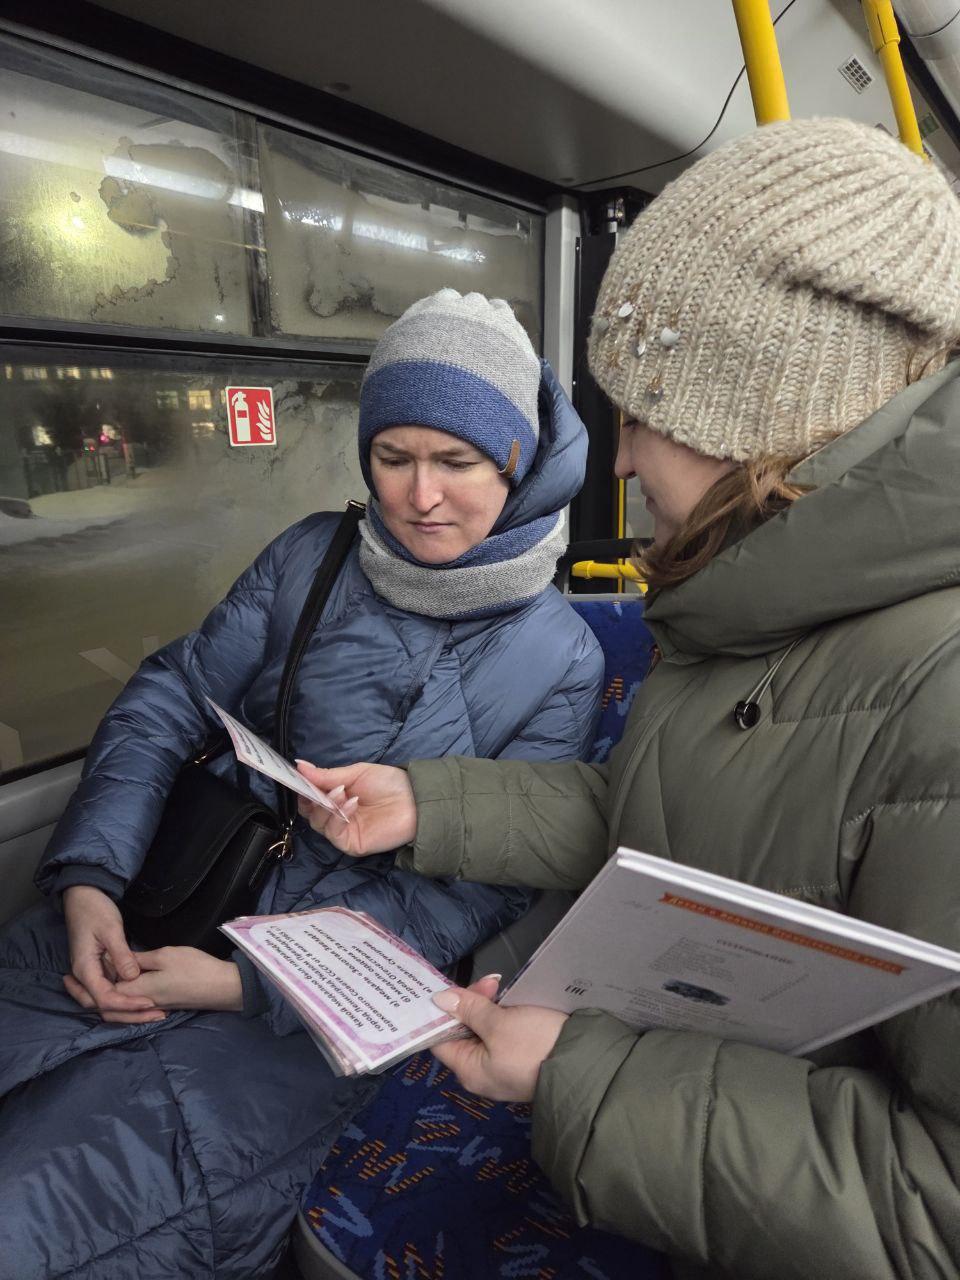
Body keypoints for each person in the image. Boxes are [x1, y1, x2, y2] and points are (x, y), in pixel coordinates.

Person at [298, 119, 960, 1280]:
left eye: (643, 415)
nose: (618, 462)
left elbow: (937, 1208)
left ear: (755, 421)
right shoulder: (752, 607)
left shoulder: (934, 697)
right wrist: (432, 803)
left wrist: (574, 1077)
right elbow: (659, 812)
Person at [0, 289, 604, 1280]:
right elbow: (168, 700)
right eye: (392, 457)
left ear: (518, 463)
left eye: (456, 462)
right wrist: (89, 881)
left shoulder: (560, 658)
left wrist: (244, 983)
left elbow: (469, 889)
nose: (419, 496)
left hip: (310, 1010)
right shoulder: (311, 557)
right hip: (170, 891)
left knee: (44, 1211)